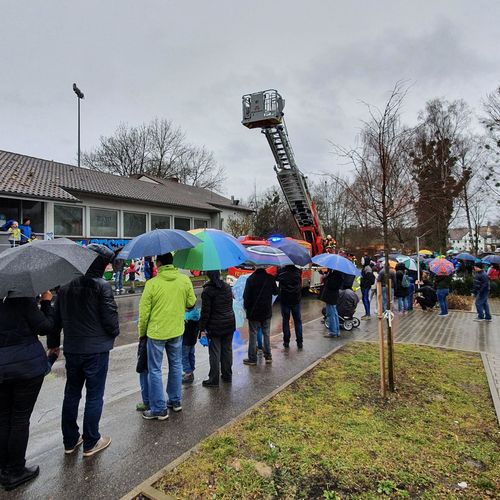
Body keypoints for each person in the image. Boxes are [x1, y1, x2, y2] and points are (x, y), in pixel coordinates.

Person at [52, 244, 120, 457]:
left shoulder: (64, 287)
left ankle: (70, 441)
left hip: (72, 349)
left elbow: (55, 322)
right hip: (97, 350)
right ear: (100, 264)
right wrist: (111, 335)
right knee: (94, 395)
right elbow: (111, 323)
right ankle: (91, 441)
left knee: (71, 393)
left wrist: (53, 345)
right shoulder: (102, 286)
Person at [0, 291, 58, 491]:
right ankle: (16, 470)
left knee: (3, 417)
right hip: (26, 369)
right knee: (19, 418)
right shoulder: (21, 299)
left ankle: (3, 467)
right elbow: (46, 327)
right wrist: (46, 304)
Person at [138, 252, 196, 419]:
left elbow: (144, 314)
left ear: (160, 263)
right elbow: (191, 303)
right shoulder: (184, 280)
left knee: (155, 369)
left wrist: (142, 334)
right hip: (177, 330)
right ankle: (175, 401)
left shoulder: (152, 284)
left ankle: (158, 409)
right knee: (176, 365)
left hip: (156, 333)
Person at [199, 271, 236, 387]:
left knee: (215, 352)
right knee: (227, 350)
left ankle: (213, 380)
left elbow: (205, 313)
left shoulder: (207, 291)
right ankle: (227, 375)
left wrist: (201, 328)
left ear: (208, 275)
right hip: (229, 323)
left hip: (215, 326)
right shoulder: (227, 287)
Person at [243, 267, 278, 365]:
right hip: (266, 312)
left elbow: (246, 297)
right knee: (266, 334)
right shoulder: (270, 278)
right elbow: (276, 292)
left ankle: (252, 359)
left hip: (253, 313)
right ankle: (268, 356)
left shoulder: (250, 279)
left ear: (255, 267)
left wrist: (246, 308)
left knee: (253, 334)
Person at [277, 264, 303, 349]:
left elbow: (276, 278)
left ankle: (286, 341)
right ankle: (299, 342)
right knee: (297, 321)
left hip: (285, 300)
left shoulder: (281, 272)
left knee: (285, 321)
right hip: (296, 300)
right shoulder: (298, 272)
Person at [320, 269, 344, 337]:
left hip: (331, 297)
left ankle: (333, 332)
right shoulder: (338, 273)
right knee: (334, 314)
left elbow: (331, 285)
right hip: (333, 296)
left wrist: (326, 277)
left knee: (331, 314)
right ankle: (337, 331)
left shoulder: (335, 274)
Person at [181, 308, 200, 385]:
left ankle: (188, 373)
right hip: (193, 340)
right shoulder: (197, 314)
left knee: (184, 357)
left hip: (185, 341)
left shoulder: (185, 317)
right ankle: (191, 370)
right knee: (191, 355)